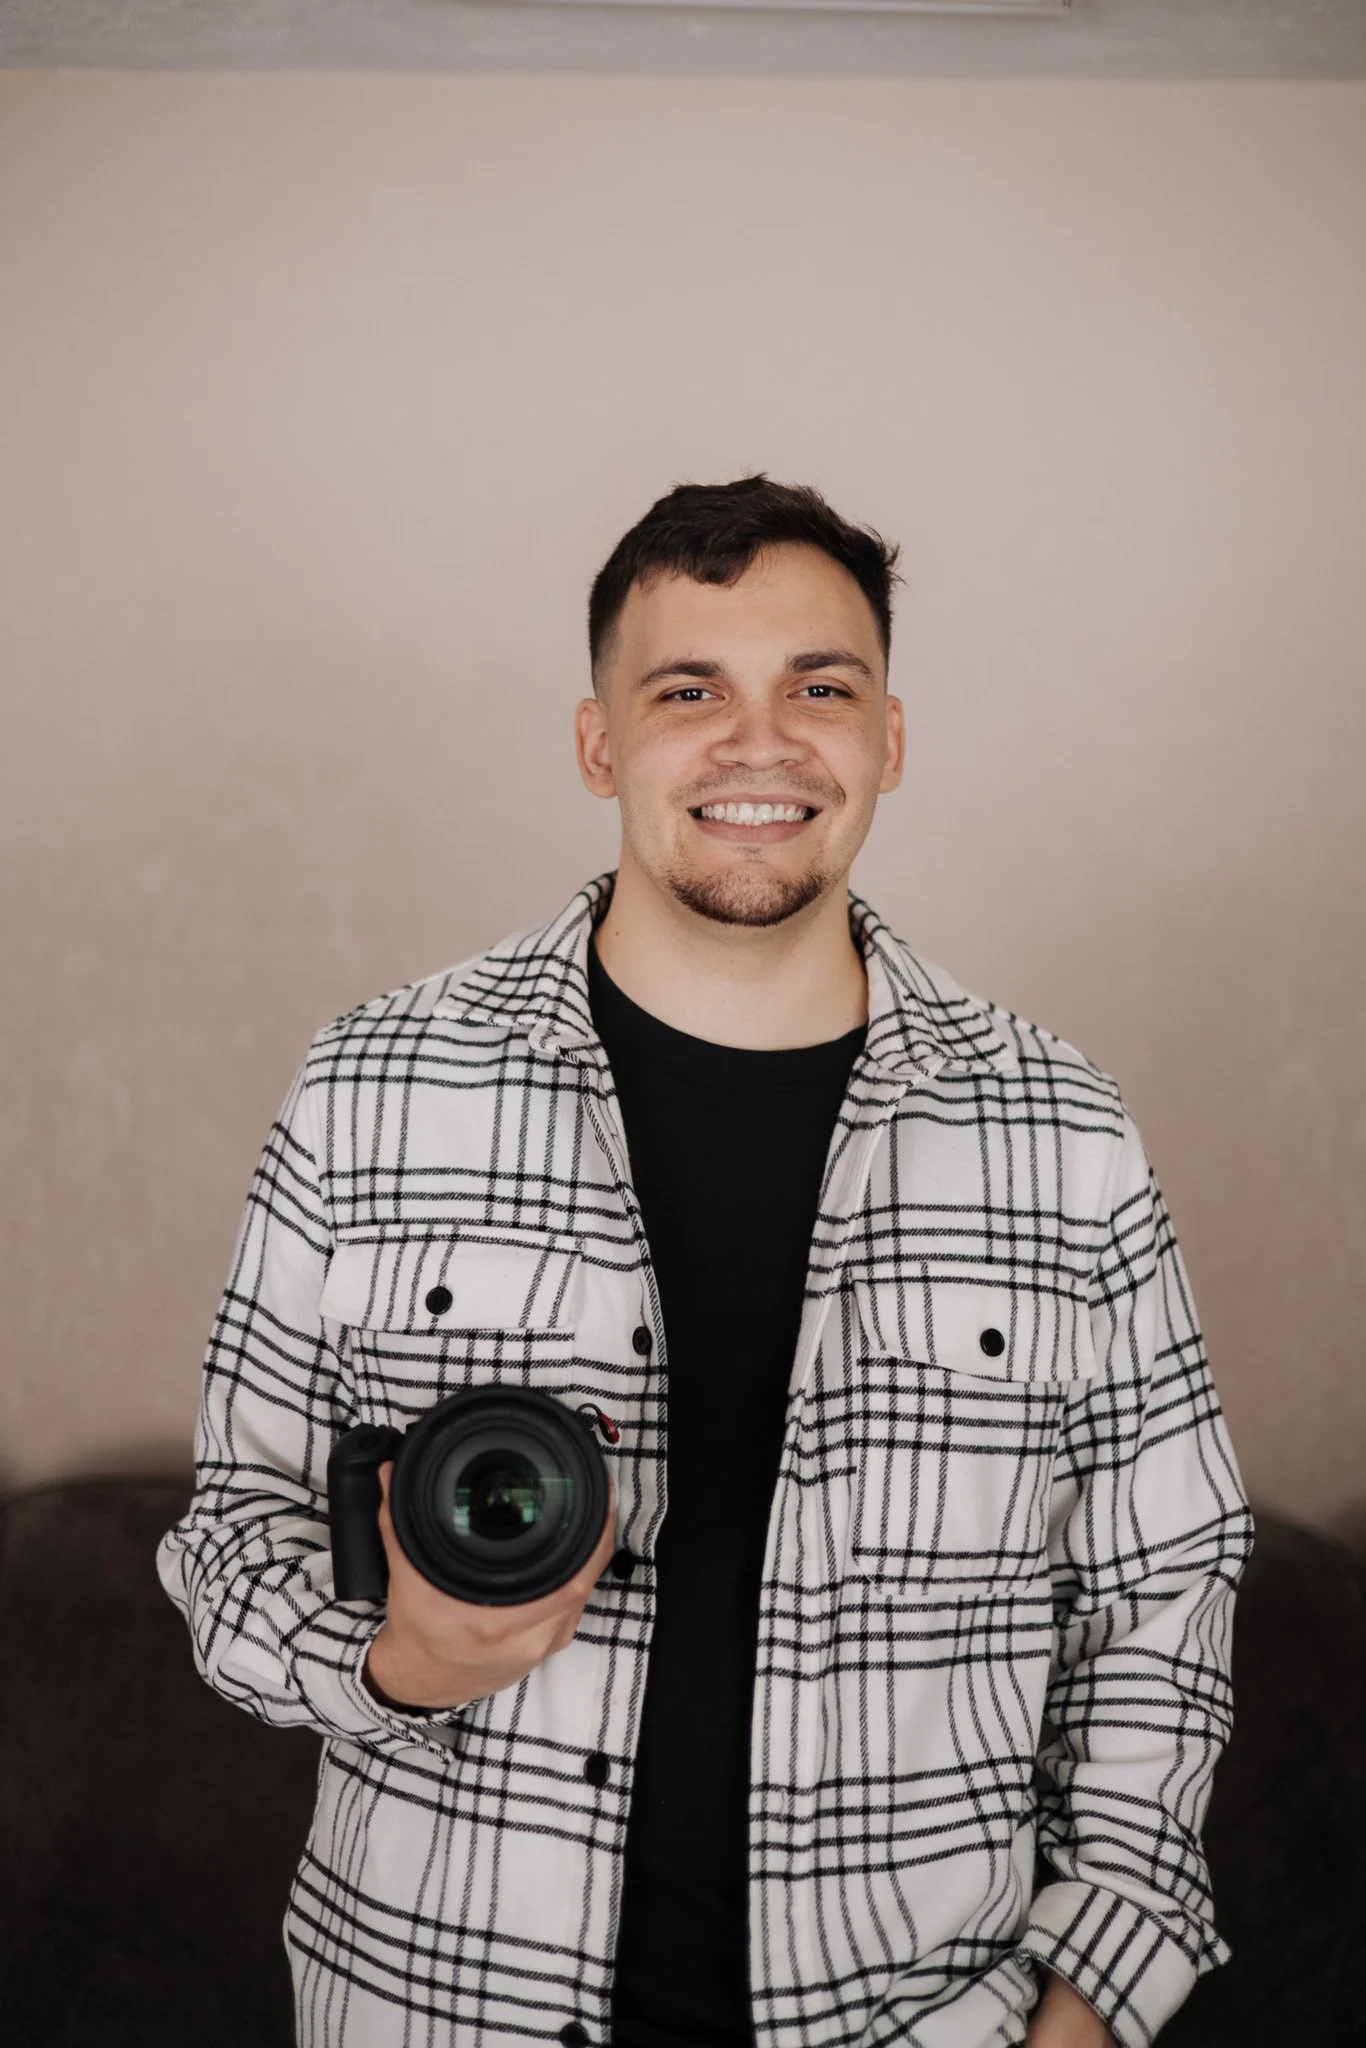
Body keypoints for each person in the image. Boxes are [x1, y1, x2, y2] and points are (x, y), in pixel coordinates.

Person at [158, 476, 1253, 2048]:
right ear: (599, 742)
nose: (761, 743)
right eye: (690, 691)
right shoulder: (374, 1083)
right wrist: (394, 1655)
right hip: (432, 2010)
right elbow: (229, 1534)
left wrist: (1087, 2011)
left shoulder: (1060, 1133)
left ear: (888, 737)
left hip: (920, 2020)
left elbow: (1163, 1596)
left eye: (820, 687)